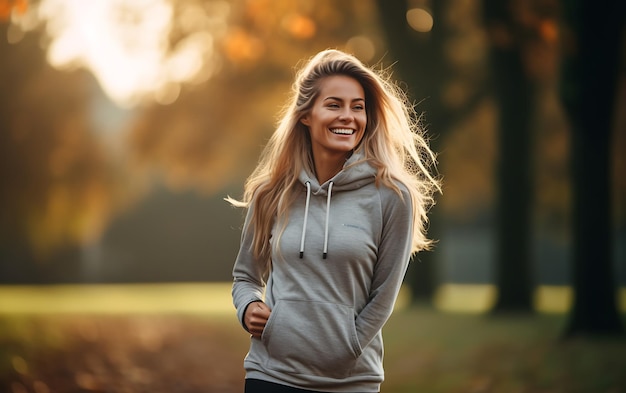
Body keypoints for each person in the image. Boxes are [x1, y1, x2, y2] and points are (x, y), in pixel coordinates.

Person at [228, 49, 440, 393]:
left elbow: (384, 295)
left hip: (350, 382)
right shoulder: (272, 192)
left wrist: (349, 346)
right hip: (271, 375)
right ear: (306, 115)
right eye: (334, 105)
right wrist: (248, 305)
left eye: (358, 107)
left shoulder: (393, 195)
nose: (348, 117)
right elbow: (245, 275)